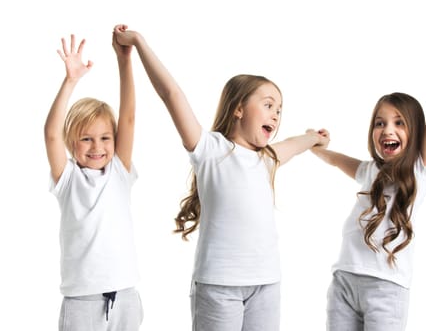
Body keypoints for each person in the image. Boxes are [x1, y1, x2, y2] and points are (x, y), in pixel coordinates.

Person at [113, 24, 329, 331]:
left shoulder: (266, 159)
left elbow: (294, 145)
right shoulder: (210, 149)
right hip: (218, 286)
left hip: (266, 284)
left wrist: (314, 138)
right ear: (239, 109)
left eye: (279, 110)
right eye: (268, 105)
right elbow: (171, 94)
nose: (276, 115)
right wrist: (138, 43)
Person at [310, 19, 426, 331]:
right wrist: (315, 144)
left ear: (415, 131)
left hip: (386, 289)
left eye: (399, 122)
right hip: (344, 283)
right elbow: (335, 159)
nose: (387, 129)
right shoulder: (369, 171)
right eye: (380, 123)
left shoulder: (420, 171)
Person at [44, 26, 143, 331]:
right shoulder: (68, 179)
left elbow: (127, 116)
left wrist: (124, 60)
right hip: (81, 300)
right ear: (72, 141)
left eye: (105, 138)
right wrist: (70, 81)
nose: (97, 147)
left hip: (125, 295)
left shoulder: (119, 171)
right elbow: (50, 134)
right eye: (86, 139)